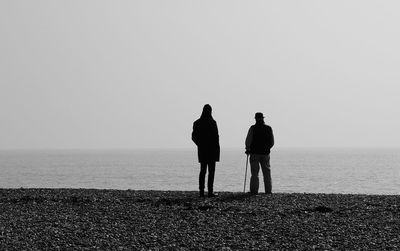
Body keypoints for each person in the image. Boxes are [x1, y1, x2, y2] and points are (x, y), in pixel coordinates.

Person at [192, 104, 220, 197]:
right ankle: (210, 191)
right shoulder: (213, 122)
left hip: (202, 150)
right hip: (212, 150)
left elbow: (194, 137)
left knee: (202, 171)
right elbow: (216, 138)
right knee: (211, 171)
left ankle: (201, 191)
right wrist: (217, 152)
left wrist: (200, 144)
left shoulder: (197, 123)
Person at [245, 112, 274, 194]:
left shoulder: (253, 128)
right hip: (265, 153)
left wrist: (248, 149)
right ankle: (268, 191)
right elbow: (272, 142)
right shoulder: (268, 128)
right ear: (263, 118)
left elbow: (248, 140)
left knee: (254, 173)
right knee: (267, 173)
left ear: (255, 119)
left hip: (254, 153)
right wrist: (268, 148)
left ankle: (254, 191)